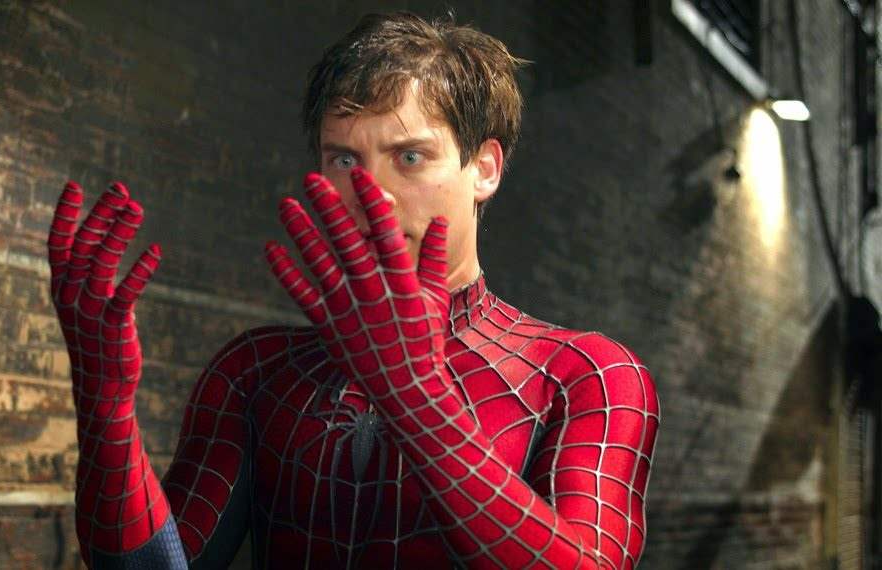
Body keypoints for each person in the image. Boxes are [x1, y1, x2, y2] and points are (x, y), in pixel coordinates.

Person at [47, 12, 660, 570]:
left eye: (410, 157)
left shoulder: (584, 375)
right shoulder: (256, 371)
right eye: (344, 160)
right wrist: (107, 411)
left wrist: (419, 401)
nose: (374, 193)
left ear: (485, 168)